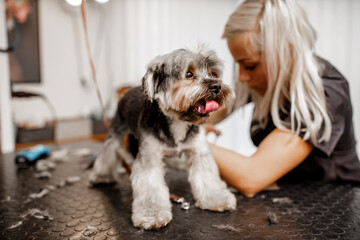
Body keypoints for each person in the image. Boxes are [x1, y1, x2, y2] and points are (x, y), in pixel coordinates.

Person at [208, 0, 360, 198]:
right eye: (240, 65)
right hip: (289, 197)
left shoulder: (326, 93)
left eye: (251, 66)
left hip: (338, 202)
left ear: (284, 52)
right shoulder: (263, 80)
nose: (241, 77)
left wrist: (185, 140)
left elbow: (251, 176)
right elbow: (207, 112)